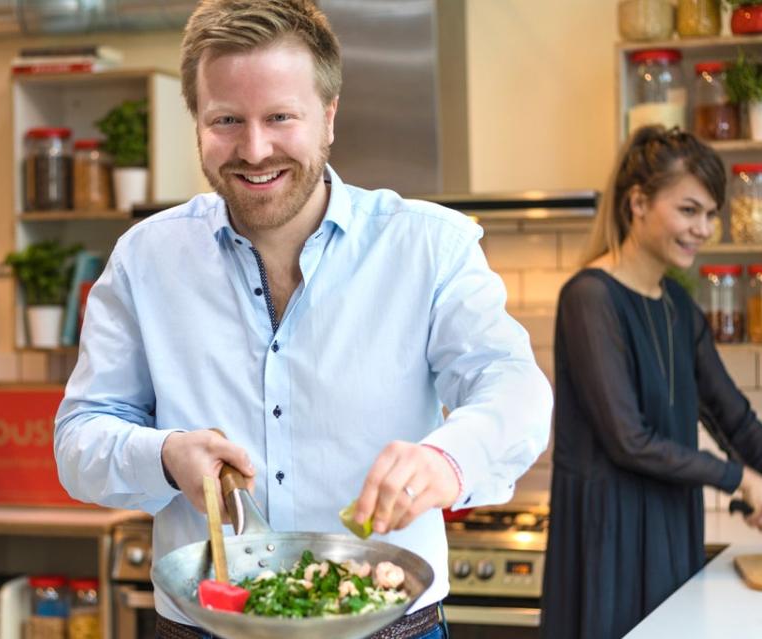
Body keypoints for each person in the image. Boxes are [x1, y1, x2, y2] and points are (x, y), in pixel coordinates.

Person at [55, 1, 553, 637]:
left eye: (280, 117)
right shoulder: (145, 259)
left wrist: (448, 461)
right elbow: (78, 441)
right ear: (198, 124)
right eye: (226, 120)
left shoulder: (430, 247)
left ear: (329, 118)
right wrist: (164, 455)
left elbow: (515, 389)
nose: (254, 149)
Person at [541, 125, 762, 639]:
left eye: (711, 213)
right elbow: (629, 440)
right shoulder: (590, 298)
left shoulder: (679, 307)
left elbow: (734, 417)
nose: (704, 228)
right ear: (637, 203)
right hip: (608, 539)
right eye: (689, 210)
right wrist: (742, 480)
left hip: (670, 527)